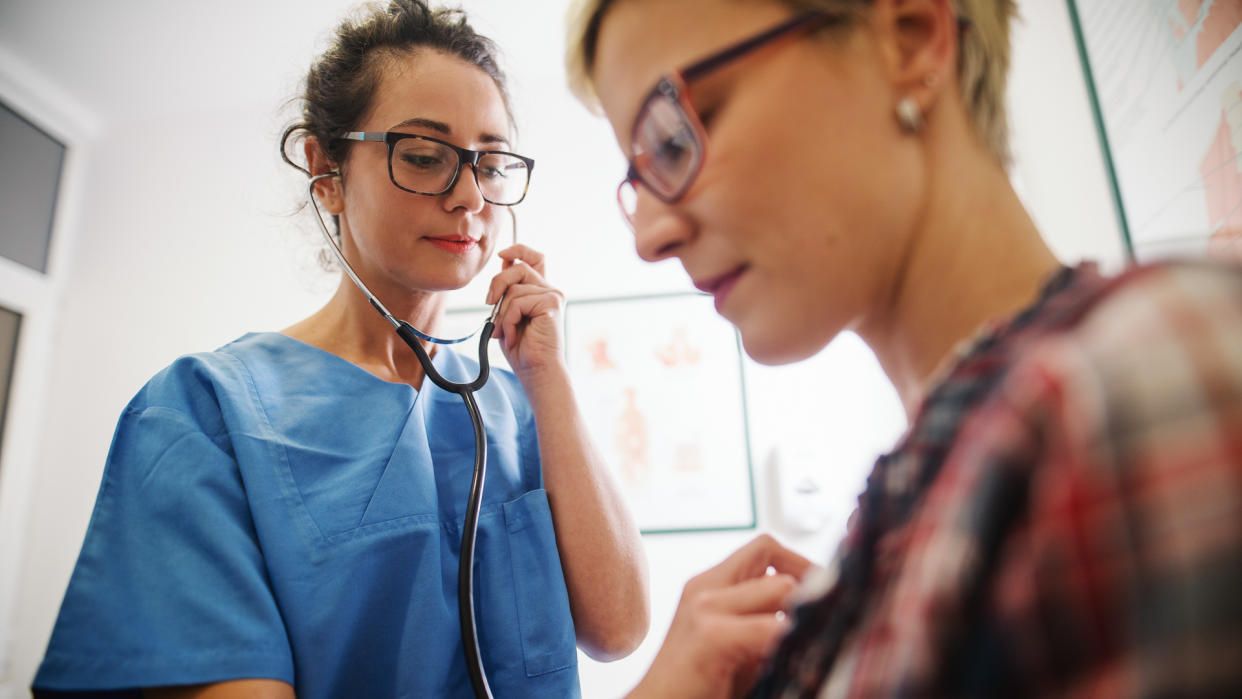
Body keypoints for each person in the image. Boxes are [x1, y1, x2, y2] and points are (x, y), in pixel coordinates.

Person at [566, 0, 1242, 696]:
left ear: (910, 41)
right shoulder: (931, 487)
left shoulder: (1131, 382)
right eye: (638, 177)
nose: (648, 237)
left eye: (674, 140)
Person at [33, 1, 649, 697]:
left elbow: (617, 628)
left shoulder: (522, 409)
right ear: (326, 170)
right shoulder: (204, 413)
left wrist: (549, 376)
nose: (471, 195)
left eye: (493, 162)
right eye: (424, 156)